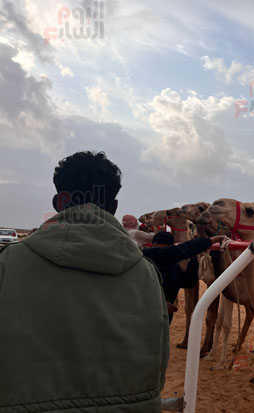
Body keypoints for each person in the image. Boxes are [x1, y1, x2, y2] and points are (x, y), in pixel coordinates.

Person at [0, 151, 169, 412]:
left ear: (59, 201)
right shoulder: (147, 274)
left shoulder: (8, 264)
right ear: (113, 207)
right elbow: (158, 368)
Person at [143, 231, 225, 323]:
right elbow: (136, 295)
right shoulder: (144, 262)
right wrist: (158, 305)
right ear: (154, 245)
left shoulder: (172, 267)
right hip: (143, 320)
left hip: (163, 322)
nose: (167, 254)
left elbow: (188, 282)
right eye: (166, 251)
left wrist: (194, 260)